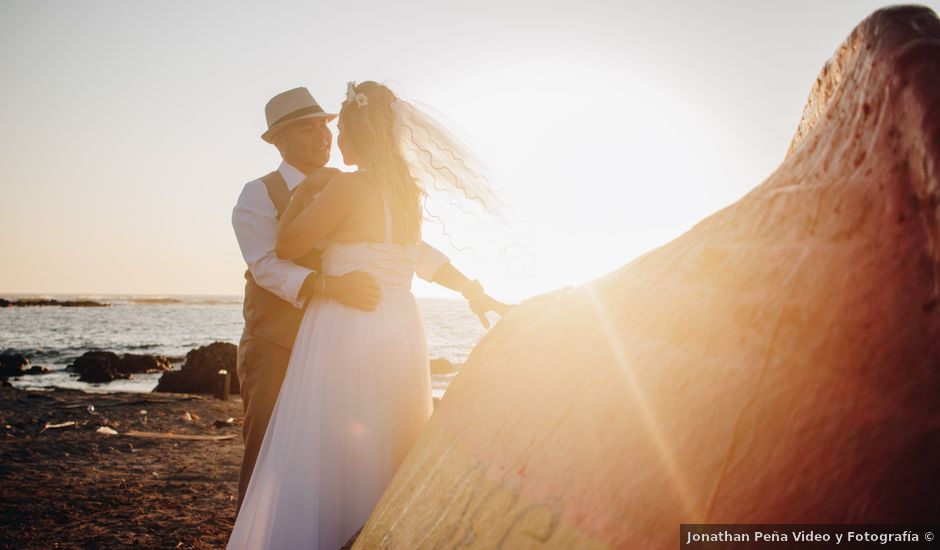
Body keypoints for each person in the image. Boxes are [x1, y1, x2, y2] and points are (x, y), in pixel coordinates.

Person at [227, 81, 506, 549]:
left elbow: (409, 250)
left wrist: (467, 287)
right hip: (279, 343)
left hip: (343, 344)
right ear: (278, 140)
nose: (322, 135)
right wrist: (328, 286)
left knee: (347, 456)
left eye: (325, 125)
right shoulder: (257, 195)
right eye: (306, 128)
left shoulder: (355, 183)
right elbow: (266, 265)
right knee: (272, 458)